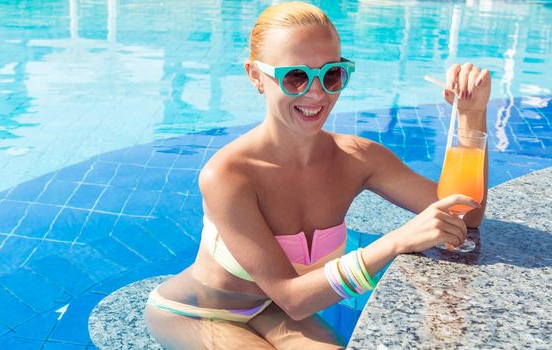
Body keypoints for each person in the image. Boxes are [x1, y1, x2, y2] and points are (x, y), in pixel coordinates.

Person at [144, 2, 490, 349]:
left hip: (274, 310)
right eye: (295, 76)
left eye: (332, 74)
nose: (317, 93)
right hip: (199, 312)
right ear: (255, 75)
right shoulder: (228, 175)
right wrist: (395, 241)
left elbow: (466, 213)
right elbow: (295, 299)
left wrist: (471, 117)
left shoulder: (356, 158)